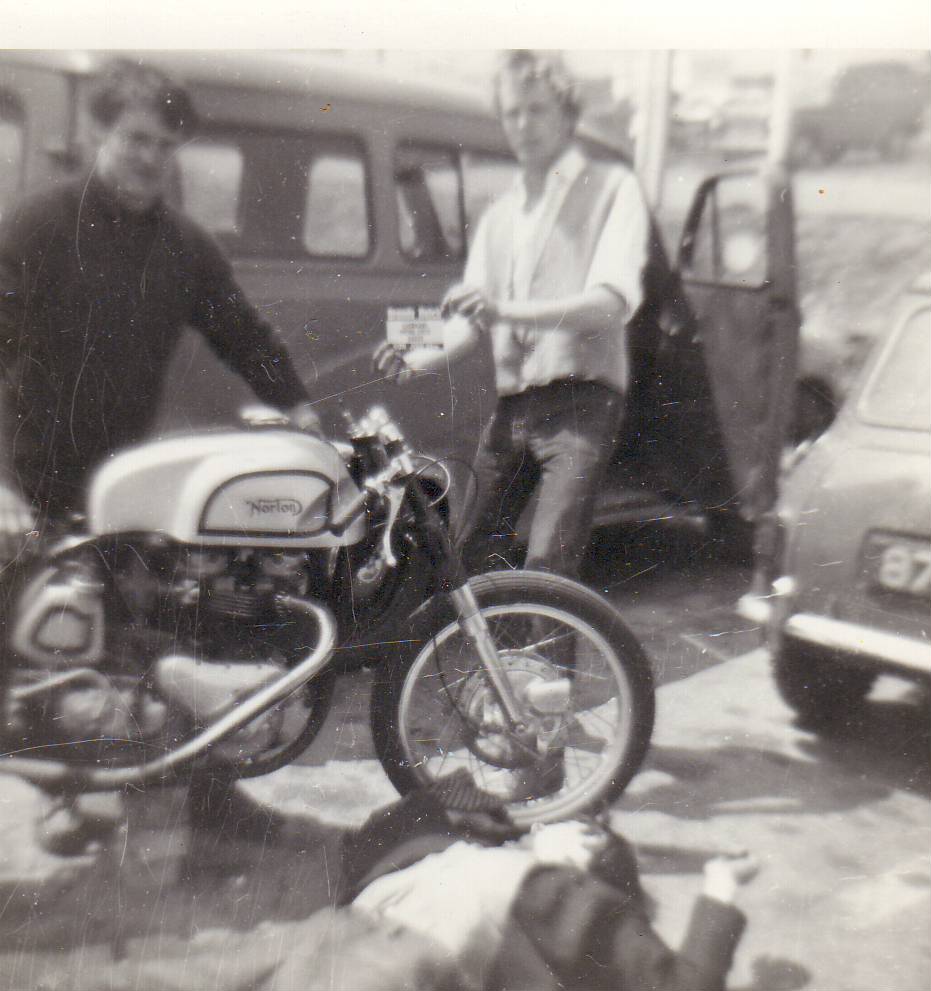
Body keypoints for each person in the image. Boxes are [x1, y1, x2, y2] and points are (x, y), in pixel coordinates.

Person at [0, 59, 319, 854]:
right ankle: (66, 794)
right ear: (99, 134)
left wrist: (298, 407)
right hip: (28, 480)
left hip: (123, 492)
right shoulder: (37, 226)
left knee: (169, 645)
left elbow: (242, 330)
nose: (148, 157)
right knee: (29, 661)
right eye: (135, 138)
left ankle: (207, 805)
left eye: (164, 145)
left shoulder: (184, 246)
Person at [374, 50, 651, 579]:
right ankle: (498, 639)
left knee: (548, 564)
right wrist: (417, 355)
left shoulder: (614, 189)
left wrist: (504, 309)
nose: (523, 124)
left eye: (537, 109)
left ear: (568, 115)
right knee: (465, 556)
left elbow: (609, 306)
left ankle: (545, 638)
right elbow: (470, 322)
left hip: (581, 405)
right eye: (512, 113)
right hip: (513, 411)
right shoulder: (499, 216)